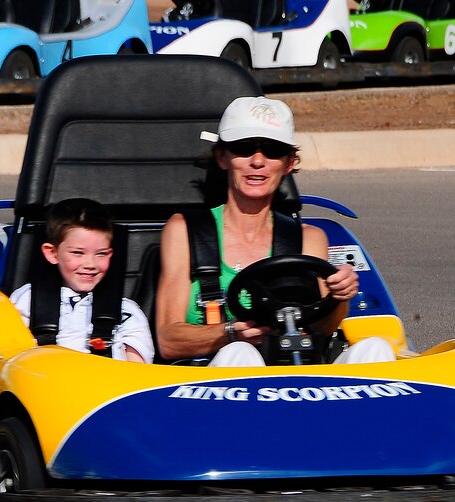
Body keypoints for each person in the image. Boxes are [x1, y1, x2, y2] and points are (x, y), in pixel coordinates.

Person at [155, 96, 395, 366]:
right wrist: (231, 334)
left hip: (293, 376)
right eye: (244, 148)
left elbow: (321, 329)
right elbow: (167, 340)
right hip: (213, 384)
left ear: (289, 162)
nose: (258, 161)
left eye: (272, 150)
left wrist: (339, 298)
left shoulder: (308, 239)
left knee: (376, 350)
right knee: (241, 355)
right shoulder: (185, 231)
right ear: (222, 157)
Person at [10, 198, 154, 363]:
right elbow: (9, 359)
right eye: (78, 253)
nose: (90, 265)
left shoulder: (126, 312)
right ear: (52, 253)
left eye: (101, 254)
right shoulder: (25, 302)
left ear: (111, 254)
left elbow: (138, 373)